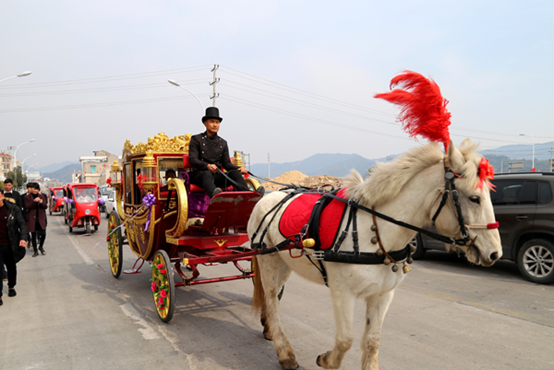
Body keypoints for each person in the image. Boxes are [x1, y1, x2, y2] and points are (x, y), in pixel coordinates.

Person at [189, 107, 264, 198]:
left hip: (216, 175)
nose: (215, 125)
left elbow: (226, 164)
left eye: (217, 122)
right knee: (207, 174)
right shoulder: (196, 139)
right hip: (200, 175)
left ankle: (249, 196)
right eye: (212, 121)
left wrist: (238, 168)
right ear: (205, 123)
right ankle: (216, 197)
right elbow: (192, 159)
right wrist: (207, 166)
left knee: (234, 173)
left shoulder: (222, 142)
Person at [0, 192, 28, 306]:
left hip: (10, 244)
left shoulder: (12, 209)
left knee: (11, 267)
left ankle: (11, 286)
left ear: (2, 196)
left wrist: (23, 238)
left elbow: (22, 225)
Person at [23, 183, 47, 257]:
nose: (35, 190)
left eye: (37, 189)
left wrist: (41, 202)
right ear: (31, 189)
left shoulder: (42, 196)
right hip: (31, 219)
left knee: (43, 233)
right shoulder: (27, 197)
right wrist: (34, 201)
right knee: (33, 235)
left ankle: (41, 246)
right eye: (34, 189)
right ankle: (35, 251)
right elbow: (27, 207)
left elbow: (45, 206)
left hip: (40, 218)